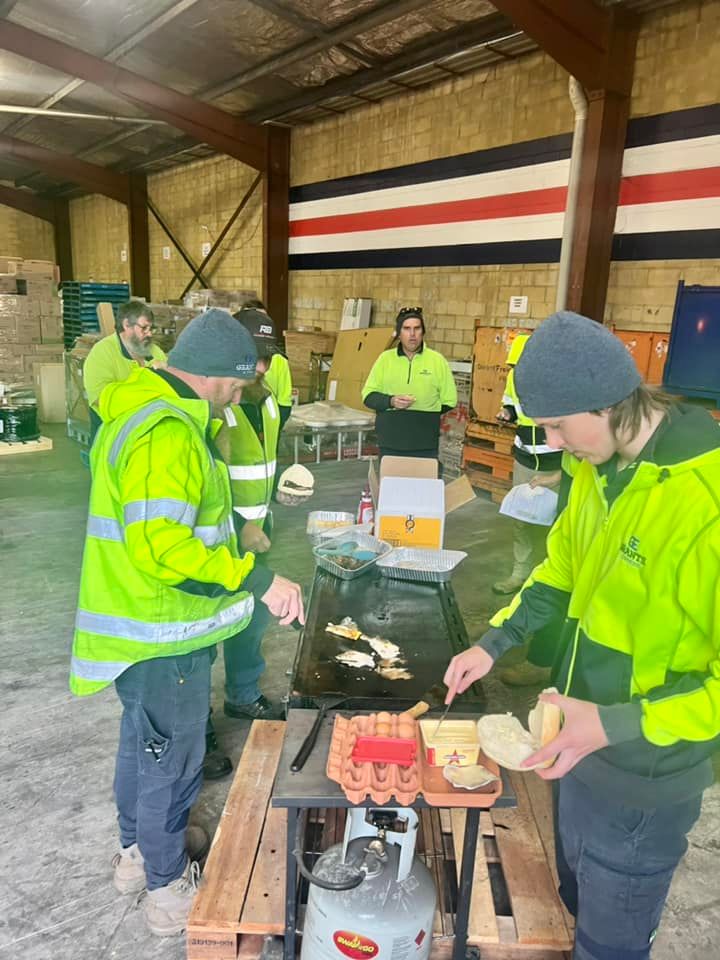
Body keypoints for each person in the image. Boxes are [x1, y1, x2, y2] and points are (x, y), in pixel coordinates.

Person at [445, 311, 720, 960]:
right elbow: (560, 572)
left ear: (606, 403)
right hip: (575, 745)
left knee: (609, 941)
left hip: (646, 777)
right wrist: (492, 643)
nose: (553, 443)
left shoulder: (703, 500)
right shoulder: (600, 471)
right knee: (571, 895)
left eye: (557, 426)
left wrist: (615, 724)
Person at [69, 308, 304, 936]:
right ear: (218, 375)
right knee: (173, 762)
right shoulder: (168, 431)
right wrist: (258, 579)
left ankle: (138, 854)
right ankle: (168, 888)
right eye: (238, 385)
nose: (238, 398)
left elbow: (165, 523)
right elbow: (164, 547)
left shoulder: (141, 408)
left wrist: (238, 533)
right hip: (161, 630)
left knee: (141, 745)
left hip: (138, 625)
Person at [214, 308, 287, 721]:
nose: (261, 366)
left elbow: (264, 458)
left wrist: (278, 492)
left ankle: (242, 694)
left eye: (268, 357)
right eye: (254, 357)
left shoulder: (267, 396)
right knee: (207, 624)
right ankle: (196, 720)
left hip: (259, 527)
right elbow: (207, 480)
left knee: (252, 616)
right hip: (222, 533)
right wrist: (239, 525)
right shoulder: (215, 403)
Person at [493, 333, 563, 687]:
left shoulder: (558, 381)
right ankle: (520, 574)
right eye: (515, 366)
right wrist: (506, 413)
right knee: (522, 519)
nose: (519, 372)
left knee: (554, 526)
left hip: (555, 460)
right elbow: (511, 404)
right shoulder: (513, 377)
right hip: (525, 457)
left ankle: (548, 579)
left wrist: (559, 473)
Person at [362, 306, 457, 462]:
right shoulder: (385, 359)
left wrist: (424, 414)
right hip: (390, 443)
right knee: (392, 479)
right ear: (399, 333)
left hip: (425, 446)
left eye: (417, 328)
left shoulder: (437, 361)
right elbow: (368, 396)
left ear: (423, 332)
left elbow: (450, 400)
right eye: (406, 329)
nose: (412, 334)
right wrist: (391, 401)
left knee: (424, 479)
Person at [83, 300, 166, 440]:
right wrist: (147, 379)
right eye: (144, 328)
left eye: (151, 329)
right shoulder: (102, 353)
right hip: (112, 435)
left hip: (149, 431)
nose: (149, 334)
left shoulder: (154, 351)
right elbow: (101, 400)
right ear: (126, 324)